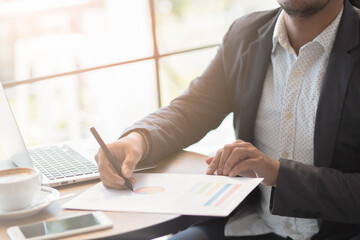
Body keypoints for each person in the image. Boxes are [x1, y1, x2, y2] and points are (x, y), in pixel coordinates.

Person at [95, 0, 360, 239]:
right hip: (252, 223)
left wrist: (279, 174)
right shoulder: (245, 35)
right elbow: (193, 107)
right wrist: (138, 140)